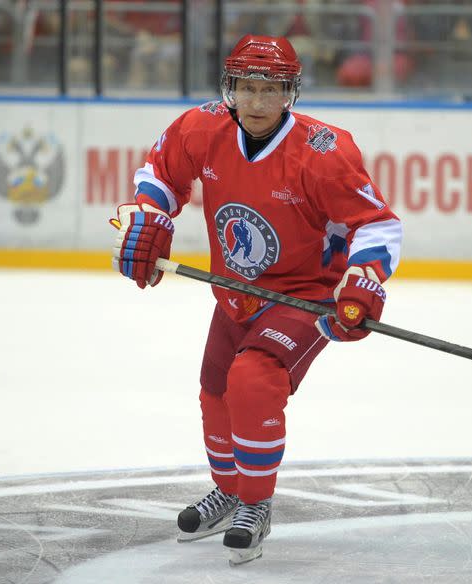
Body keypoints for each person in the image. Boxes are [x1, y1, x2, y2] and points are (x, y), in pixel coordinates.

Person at [109, 34, 402, 565]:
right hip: (235, 295)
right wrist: (150, 216)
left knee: (253, 380)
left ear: (291, 92)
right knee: (215, 392)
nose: (259, 102)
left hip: (302, 294)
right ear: (231, 89)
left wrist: (364, 280)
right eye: (248, 87)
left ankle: (256, 504)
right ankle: (230, 491)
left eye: (272, 89)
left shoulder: (325, 152)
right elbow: (161, 174)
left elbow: (376, 223)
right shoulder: (202, 127)